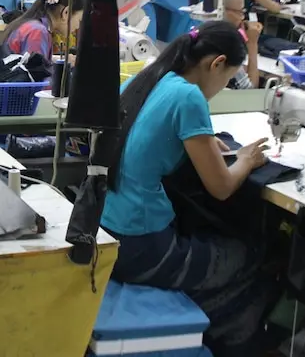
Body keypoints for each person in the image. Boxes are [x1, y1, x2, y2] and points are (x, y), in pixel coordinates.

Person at [102, 21, 278, 356]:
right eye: (227, 80)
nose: (222, 88)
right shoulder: (189, 97)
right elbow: (222, 187)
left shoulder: (158, 78)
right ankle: (226, 340)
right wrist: (246, 159)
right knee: (250, 254)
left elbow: (154, 132)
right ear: (216, 64)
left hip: (110, 231)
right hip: (141, 248)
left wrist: (206, 143)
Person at [0, 0, 85, 61]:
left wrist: (59, 60)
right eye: (79, 20)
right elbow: (36, 75)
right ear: (66, 13)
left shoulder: (33, 24)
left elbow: (29, 62)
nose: (77, 26)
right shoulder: (38, 32)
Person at [220, 0, 262, 89]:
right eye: (239, 12)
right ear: (222, 10)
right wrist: (252, 44)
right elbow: (249, 90)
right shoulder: (226, 46)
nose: (242, 18)